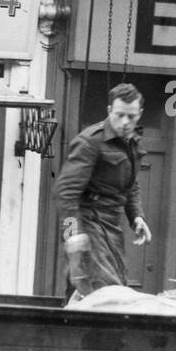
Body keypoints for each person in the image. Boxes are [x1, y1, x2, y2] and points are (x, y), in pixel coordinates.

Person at [53, 82, 153, 298]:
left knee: (108, 288)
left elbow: (131, 184)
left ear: (140, 114)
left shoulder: (131, 142)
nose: (125, 123)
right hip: (88, 223)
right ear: (109, 111)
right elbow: (65, 191)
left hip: (111, 225)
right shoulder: (90, 141)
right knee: (106, 292)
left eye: (131, 116)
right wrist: (72, 234)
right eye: (119, 115)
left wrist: (137, 216)